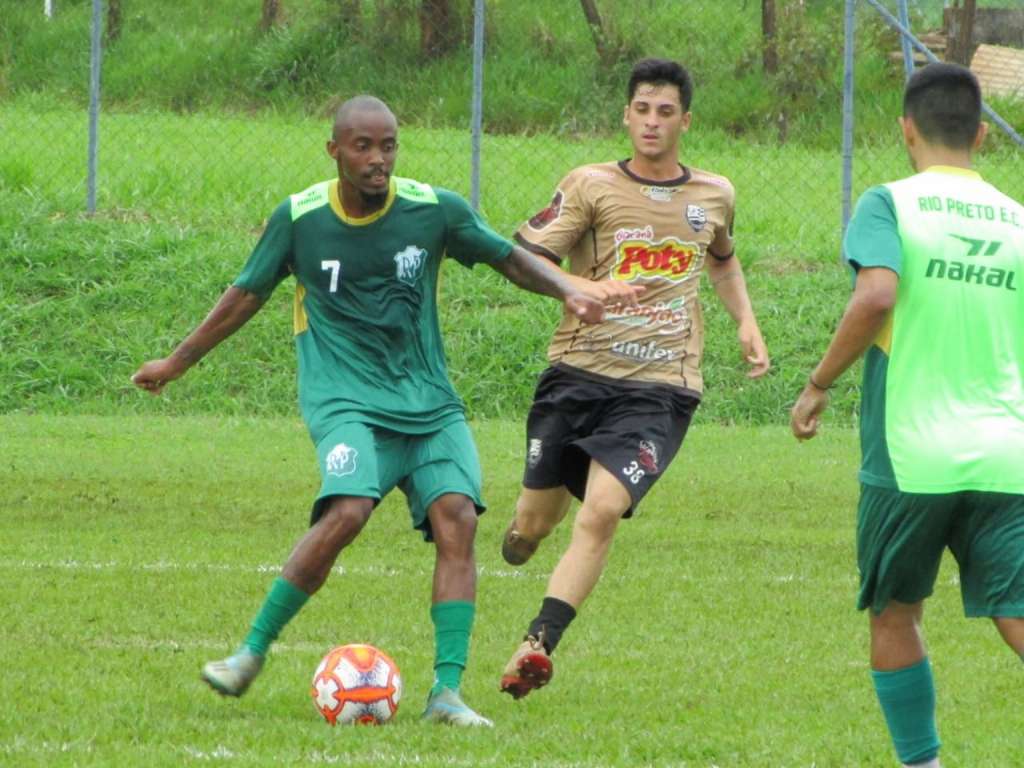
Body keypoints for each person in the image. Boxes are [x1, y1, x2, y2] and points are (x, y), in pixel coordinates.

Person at [131, 95, 636, 727]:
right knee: (348, 510)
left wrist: (569, 288)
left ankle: (446, 693)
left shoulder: (433, 209)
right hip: (345, 400)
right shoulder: (300, 218)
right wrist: (176, 363)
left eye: (388, 146)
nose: (377, 159)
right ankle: (249, 654)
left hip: (428, 401)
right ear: (334, 149)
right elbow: (245, 294)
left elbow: (506, 256)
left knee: (457, 518)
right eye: (363, 146)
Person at [497, 58, 771, 699]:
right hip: (577, 373)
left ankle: (538, 642)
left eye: (666, 111)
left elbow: (723, 263)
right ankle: (527, 529)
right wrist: (586, 286)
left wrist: (746, 323)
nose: (652, 122)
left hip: (661, 387)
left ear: (685, 120)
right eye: (642, 109)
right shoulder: (590, 185)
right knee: (536, 523)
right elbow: (523, 255)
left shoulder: (714, 195)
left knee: (602, 511)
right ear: (626, 114)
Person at [791, 63, 1024, 768]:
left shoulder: (889, 202)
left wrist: (818, 383)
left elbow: (876, 297)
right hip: (1007, 453)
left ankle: (921, 764)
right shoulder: (1018, 219)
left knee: (895, 610)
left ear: (906, 130)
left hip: (911, 454)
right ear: (982, 134)